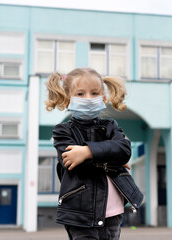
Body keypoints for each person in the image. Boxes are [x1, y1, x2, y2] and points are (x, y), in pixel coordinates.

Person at [45, 68, 144, 240]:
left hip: (114, 211)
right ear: (68, 100)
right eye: (81, 94)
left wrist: (87, 151)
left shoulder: (111, 125)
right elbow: (74, 164)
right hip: (80, 212)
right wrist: (111, 159)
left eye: (94, 93)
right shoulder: (62, 131)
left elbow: (124, 149)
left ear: (103, 98)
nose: (88, 99)